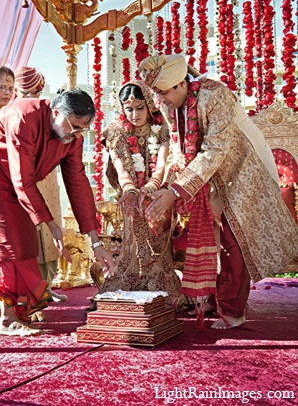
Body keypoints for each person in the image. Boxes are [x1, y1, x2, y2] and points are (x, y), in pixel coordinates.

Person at [139, 54, 298, 329]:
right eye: (157, 94)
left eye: (163, 93)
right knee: (209, 235)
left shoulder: (216, 96)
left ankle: (233, 311)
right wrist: (163, 185)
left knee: (233, 238)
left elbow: (215, 151)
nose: (160, 100)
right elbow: (179, 146)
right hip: (208, 176)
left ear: (180, 85)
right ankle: (214, 298)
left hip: (243, 168)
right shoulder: (168, 102)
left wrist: (176, 191)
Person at [0, 88, 114, 336]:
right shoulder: (23, 116)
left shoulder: (73, 137)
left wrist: (96, 243)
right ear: (55, 112)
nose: (76, 134)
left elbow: (78, 183)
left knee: (26, 245)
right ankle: (7, 319)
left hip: (18, 186)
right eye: (73, 126)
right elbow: (22, 179)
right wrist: (52, 227)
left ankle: (17, 313)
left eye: (82, 129)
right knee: (12, 246)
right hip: (4, 181)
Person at [88, 80, 180, 309]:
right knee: (133, 220)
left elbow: (163, 163)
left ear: (149, 105)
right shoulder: (116, 131)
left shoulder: (165, 127)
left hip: (160, 194)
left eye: (140, 107)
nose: (135, 114)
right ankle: (131, 284)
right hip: (130, 194)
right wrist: (130, 189)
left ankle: (163, 288)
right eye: (129, 108)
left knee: (158, 224)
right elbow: (120, 167)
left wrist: (152, 187)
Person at [14, 66, 66, 304]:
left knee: (50, 235)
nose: (28, 97)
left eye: (32, 91)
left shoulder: (48, 113)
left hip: (47, 181)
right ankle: (29, 293)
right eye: (23, 92)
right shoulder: (10, 114)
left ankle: (46, 287)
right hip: (20, 183)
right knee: (27, 238)